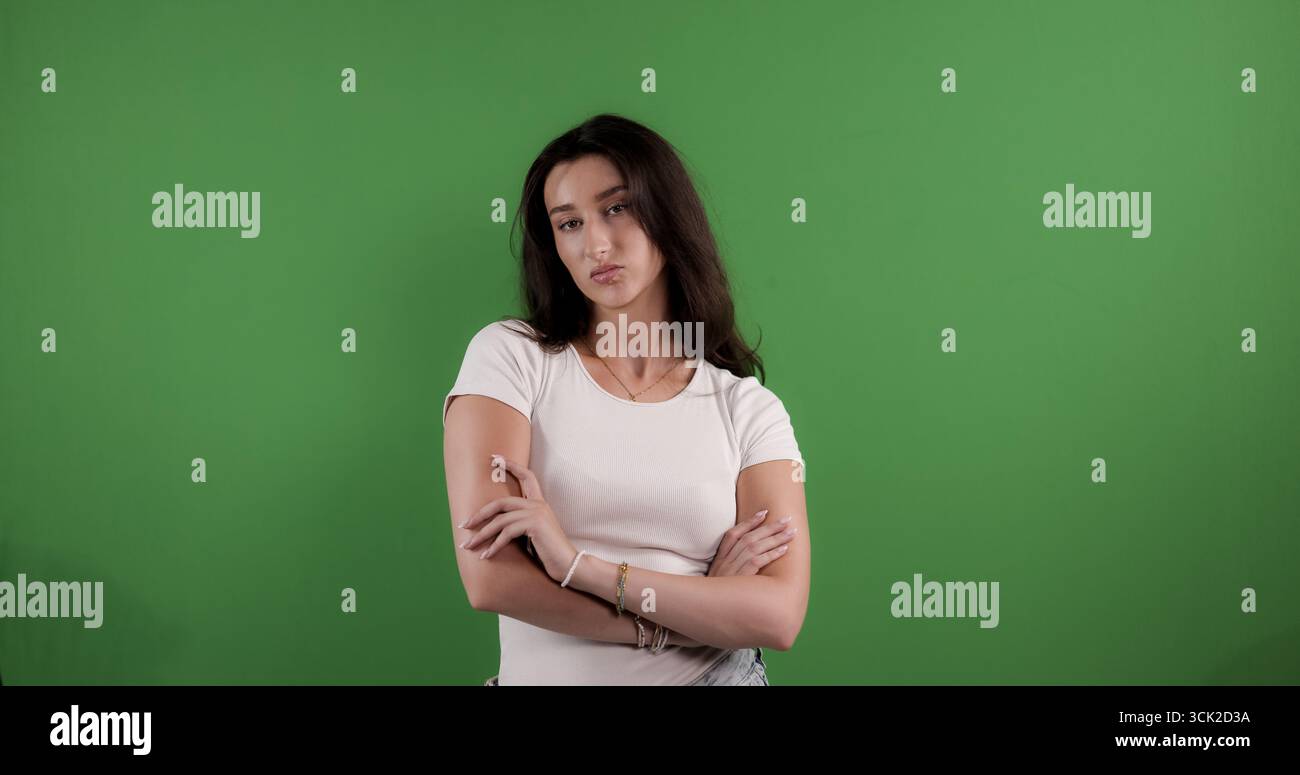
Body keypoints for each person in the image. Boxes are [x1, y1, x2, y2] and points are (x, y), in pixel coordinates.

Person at [442, 114, 808, 685]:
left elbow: (779, 616)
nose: (596, 244)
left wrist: (574, 565)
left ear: (667, 212)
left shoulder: (747, 408)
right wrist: (688, 618)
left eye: (616, 208)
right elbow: (491, 579)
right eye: (568, 223)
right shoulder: (512, 358)